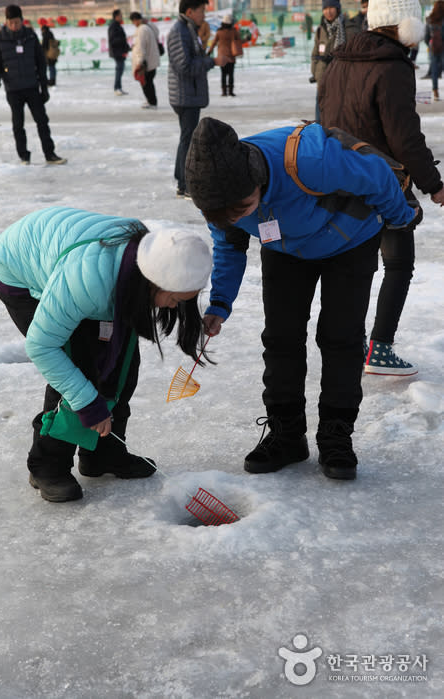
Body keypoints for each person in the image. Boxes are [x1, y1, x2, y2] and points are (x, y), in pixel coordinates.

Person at [185, 117, 420, 480]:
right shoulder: (218, 198)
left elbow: (377, 176)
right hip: (284, 248)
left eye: (242, 206)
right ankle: (286, 434)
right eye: (225, 214)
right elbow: (229, 246)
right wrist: (220, 303)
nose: (236, 217)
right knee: (281, 337)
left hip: (351, 241)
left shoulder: (311, 160)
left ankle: (336, 436)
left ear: (256, 178)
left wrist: (401, 219)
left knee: (340, 337)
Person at [0, 207, 213, 502]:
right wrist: (87, 402)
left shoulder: (149, 263)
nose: (172, 308)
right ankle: (47, 466)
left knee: (122, 365)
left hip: (83, 267)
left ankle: (103, 453)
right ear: (152, 282)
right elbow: (42, 347)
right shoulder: (85, 285)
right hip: (20, 270)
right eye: (172, 299)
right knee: (78, 369)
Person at [319, 0, 444, 375]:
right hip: (384, 183)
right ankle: (380, 348)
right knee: (398, 263)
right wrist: (434, 185)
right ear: (406, 27)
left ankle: (348, 342)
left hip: (338, 178)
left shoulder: (339, 61)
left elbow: (325, 116)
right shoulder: (393, 67)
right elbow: (404, 138)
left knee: (352, 264)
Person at [167, 0, 230, 198]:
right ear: (190, 11)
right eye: (202, 10)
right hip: (185, 95)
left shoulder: (189, 29)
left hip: (189, 93)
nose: (204, 14)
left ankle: (182, 181)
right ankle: (185, 184)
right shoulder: (180, 31)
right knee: (188, 139)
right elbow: (183, 66)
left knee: (186, 137)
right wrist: (212, 61)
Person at [0, 5, 66, 165]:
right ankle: (24, 155)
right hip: (13, 89)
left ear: (22, 21)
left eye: (17, 22)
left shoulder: (31, 37)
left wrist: (44, 88)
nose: (14, 26)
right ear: (6, 22)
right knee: (18, 124)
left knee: (42, 121)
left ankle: (50, 153)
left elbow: (41, 63)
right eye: (11, 23)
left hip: (32, 87)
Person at [311, 1, 351, 121]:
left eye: (331, 8)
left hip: (341, 78)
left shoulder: (346, 27)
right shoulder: (320, 29)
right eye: (325, 8)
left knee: (338, 116)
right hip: (322, 78)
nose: (328, 11)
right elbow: (315, 53)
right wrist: (315, 72)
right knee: (320, 116)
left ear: (337, 9)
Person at [130, 12, 160, 109]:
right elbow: (157, 32)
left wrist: (139, 62)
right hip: (151, 60)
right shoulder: (148, 27)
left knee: (146, 82)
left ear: (135, 20)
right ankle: (151, 100)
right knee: (148, 82)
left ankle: (152, 102)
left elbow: (140, 47)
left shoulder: (142, 30)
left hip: (146, 62)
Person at [208, 14, 240, 96]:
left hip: (221, 56)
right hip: (231, 56)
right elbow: (239, 42)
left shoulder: (219, 32)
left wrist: (209, 52)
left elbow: (214, 43)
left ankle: (224, 91)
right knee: (231, 74)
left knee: (223, 74)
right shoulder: (234, 31)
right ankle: (231, 91)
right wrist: (247, 39)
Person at [425, 1, 444, 101]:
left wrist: (430, 43)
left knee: (434, 69)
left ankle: (435, 91)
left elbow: (426, 36)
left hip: (433, 46)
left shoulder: (429, 19)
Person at [108, 9, 130, 96]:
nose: (122, 17)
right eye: (120, 15)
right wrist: (124, 40)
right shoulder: (113, 26)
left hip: (120, 51)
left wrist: (127, 46)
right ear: (116, 16)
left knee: (120, 70)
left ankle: (119, 87)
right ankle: (116, 88)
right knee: (119, 70)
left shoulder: (117, 25)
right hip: (117, 52)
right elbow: (113, 40)